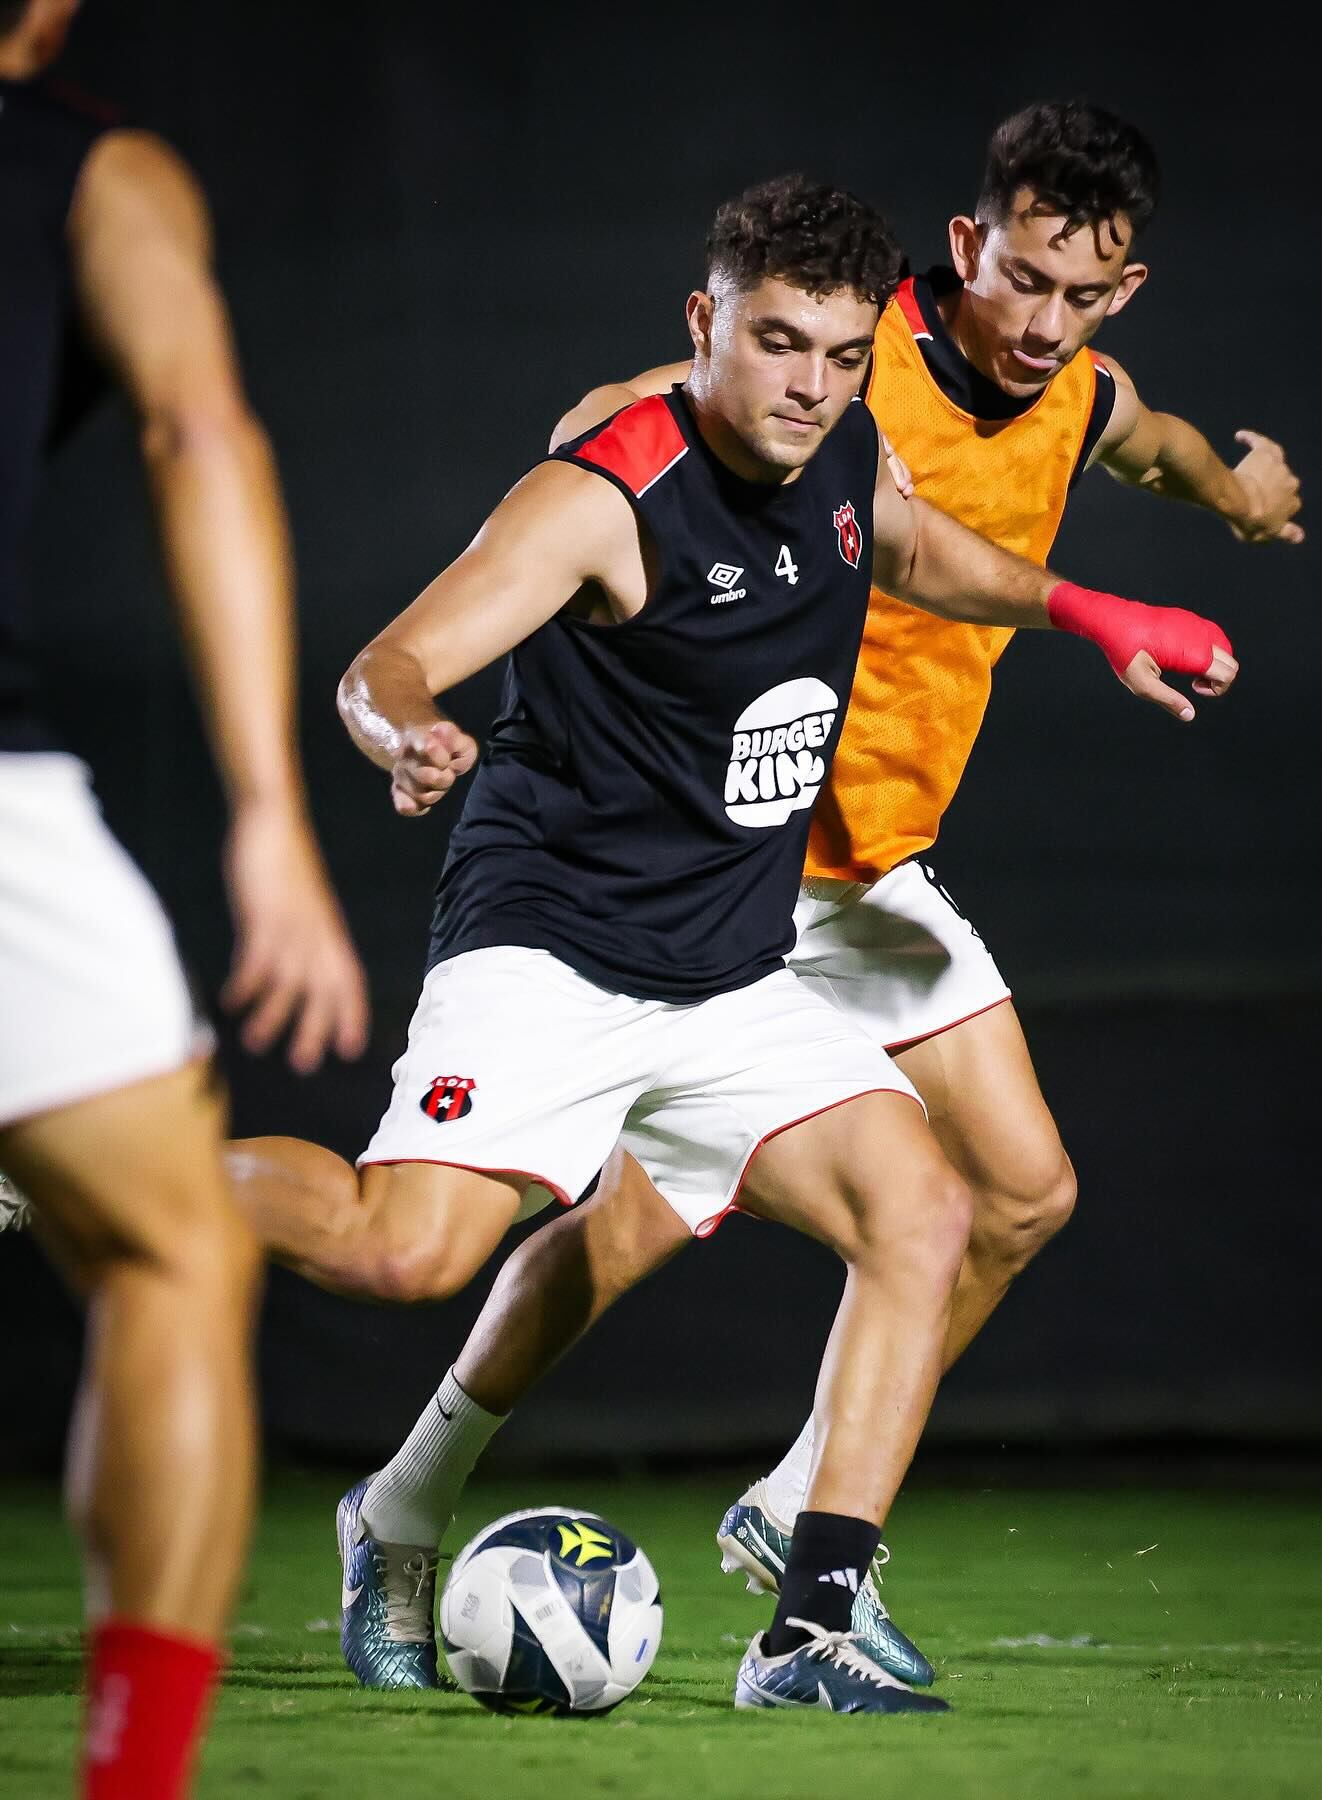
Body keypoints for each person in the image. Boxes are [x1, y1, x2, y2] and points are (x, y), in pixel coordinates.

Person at [224, 172, 1234, 1713]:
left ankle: (807, 1627)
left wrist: (1092, 614)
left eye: (840, 354)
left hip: (728, 972)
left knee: (926, 1210)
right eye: (776, 343)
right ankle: (104, 1169)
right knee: (401, 1250)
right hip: (558, 947)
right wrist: (405, 729)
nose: (810, 385)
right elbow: (391, 661)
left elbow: (915, 551)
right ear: (703, 324)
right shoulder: (608, 488)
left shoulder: (847, 449)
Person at [0, 2, 368, 1791]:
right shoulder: (96, 171)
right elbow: (198, 431)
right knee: (172, 1255)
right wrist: (268, 816)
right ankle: (129, 1779)